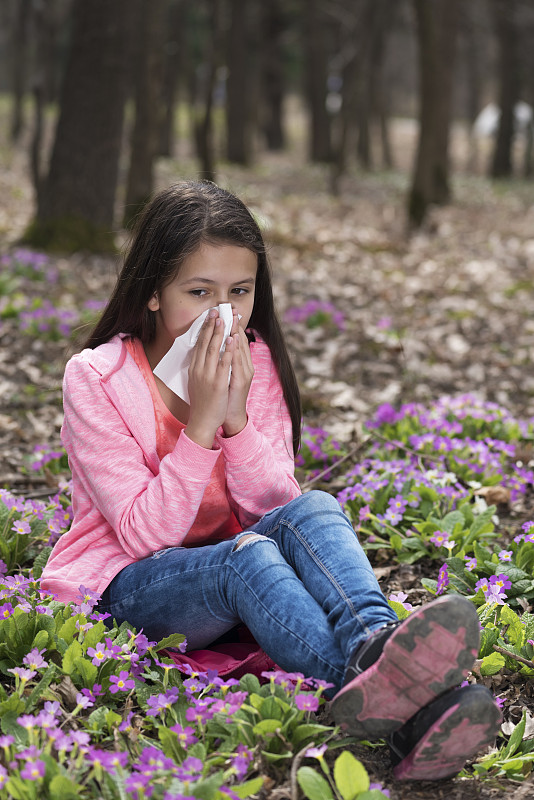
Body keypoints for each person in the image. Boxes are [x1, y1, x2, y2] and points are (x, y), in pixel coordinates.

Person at [41, 181, 501, 781]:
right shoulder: (95, 379)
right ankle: (408, 704)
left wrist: (236, 421)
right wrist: (201, 424)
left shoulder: (253, 358)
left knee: (313, 506)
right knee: (247, 554)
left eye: (239, 291)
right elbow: (141, 535)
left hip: (240, 569)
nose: (221, 313)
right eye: (198, 292)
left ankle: (376, 647)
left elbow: (275, 504)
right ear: (153, 292)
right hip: (133, 586)